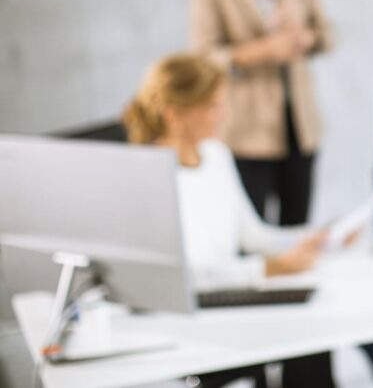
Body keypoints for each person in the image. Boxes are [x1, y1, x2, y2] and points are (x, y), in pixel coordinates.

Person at [122, 54, 334, 388]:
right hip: (192, 319)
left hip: (234, 299)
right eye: (212, 106)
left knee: (317, 334)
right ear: (174, 114)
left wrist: (313, 237)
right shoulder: (147, 177)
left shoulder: (217, 155)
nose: (223, 115)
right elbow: (188, 276)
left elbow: (254, 237)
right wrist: (268, 269)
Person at [190, 0, 333, 226]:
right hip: (247, 132)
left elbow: (327, 34)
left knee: (296, 229)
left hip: (300, 126)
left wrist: (305, 38)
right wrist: (264, 50)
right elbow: (204, 58)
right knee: (253, 235)